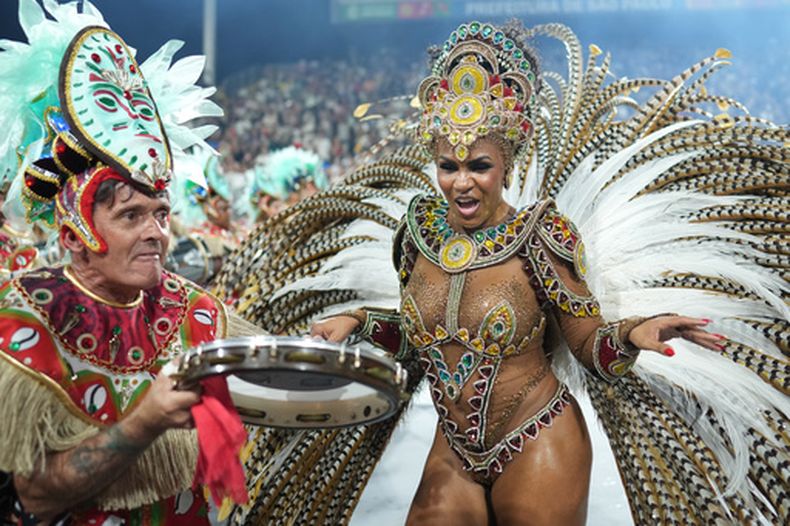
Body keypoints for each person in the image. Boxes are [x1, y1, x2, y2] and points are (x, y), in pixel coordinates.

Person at [220, 19, 787, 526]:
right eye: (448, 165)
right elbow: (417, 343)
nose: (462, 182)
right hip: (453, 449)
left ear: (506, 163)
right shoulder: (417, 235)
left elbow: (589, 347)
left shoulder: (543, 236)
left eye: (479, 166)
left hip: (539, 439)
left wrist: (636, 332)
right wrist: (359, 321)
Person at [0, 1, 248, 523]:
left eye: (161, 214)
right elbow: (35, 498)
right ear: (73, 232)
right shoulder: (26, 316)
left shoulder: (192, 307)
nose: (156, 233)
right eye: (131, 216)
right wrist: (144, 423)